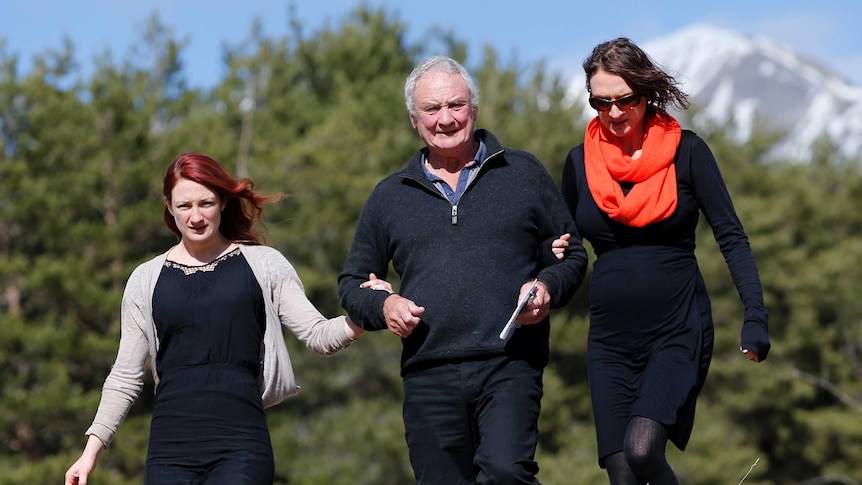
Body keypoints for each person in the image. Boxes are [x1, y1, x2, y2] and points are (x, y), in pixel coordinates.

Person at [337, 55, 589, 485]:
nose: (445, 119)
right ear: (415, 121)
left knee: (507, 473)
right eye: (432, 110)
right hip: (428, 369)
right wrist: (385, 304)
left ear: (473, 108)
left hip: (509, 362)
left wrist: (547, 286)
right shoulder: (389, 196)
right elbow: (351, 284)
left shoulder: (522, 172)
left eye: (455, 105)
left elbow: (572, 254)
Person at [65, 152, 368, 484]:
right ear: (168, 206)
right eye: (184, 206)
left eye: (205, 203)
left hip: (241, 448)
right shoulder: (145, 280)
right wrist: (90, 454)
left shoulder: (264, 265)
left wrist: (366, 314)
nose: (195, 216)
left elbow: (317, 334)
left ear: (223, 201)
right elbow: (125, 376)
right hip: (168, 450)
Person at [551, 38, 771, 484]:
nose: (613, 113)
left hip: (677, 327)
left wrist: (755, 316)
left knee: (642, 448)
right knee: (619, 468)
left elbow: (732, 237)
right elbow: (566, 246)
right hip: (610, 338)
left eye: (624, 100)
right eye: (601, 102)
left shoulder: (687, 152)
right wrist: (553, 252)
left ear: (646, 93)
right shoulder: (579, 164)